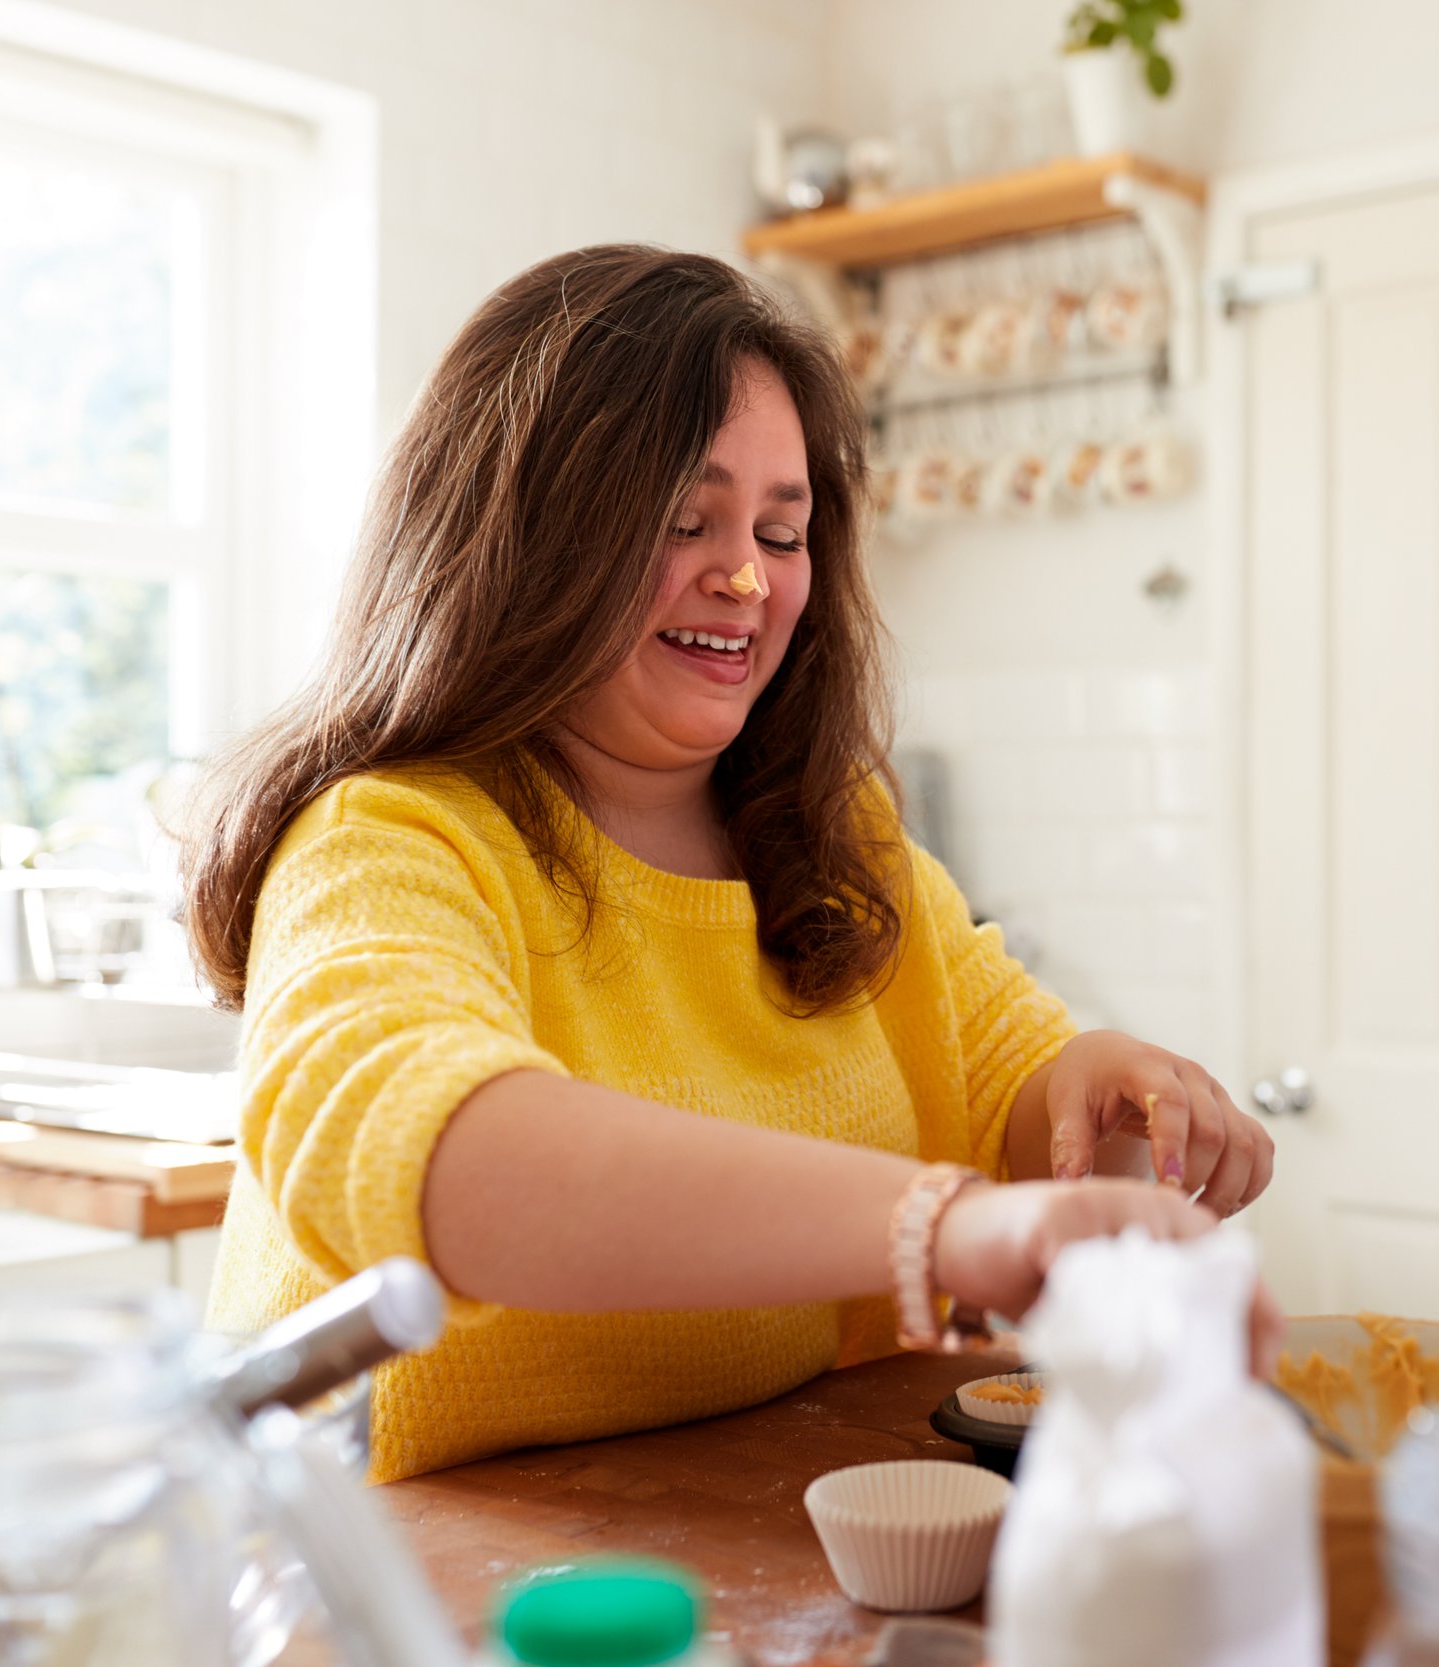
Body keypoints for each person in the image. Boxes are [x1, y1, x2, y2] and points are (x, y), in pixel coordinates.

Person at [185, 246, 1276, 1483]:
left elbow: (1015, 1101)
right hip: (401, 1587)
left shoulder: (837, 843)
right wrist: (946, 1227)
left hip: (751, 1540)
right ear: (523, 539)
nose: (748, 578)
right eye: (681, 520)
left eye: (781, 528)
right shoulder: (386, 841)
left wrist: (1106, 1096)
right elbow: (458, 1166)